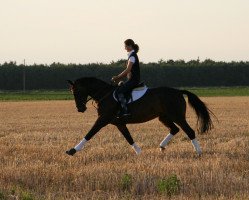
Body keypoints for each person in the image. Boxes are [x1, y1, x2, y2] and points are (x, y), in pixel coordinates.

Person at [112, 39, 140, 117]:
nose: (125, 48)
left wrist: (117, 77)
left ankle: (125, 110)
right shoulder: (131, 55)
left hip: (133, 80)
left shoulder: (132, 57)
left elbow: (128, 70)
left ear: (130, 46)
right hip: (131, 80)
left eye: (125, 46)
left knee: (118, 92)